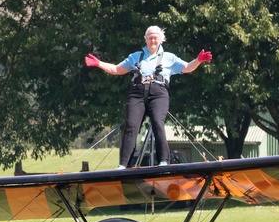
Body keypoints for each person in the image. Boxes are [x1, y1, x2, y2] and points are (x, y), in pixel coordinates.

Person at [85, 26, 212, 168]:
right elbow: (117, 69)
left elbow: (188, 67)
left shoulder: (169, 57)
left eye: (155, 37)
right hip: (137, 93)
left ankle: (164, 160)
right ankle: (123, 164)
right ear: (145, 39)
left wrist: (198, 60)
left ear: (161, 39)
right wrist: (99, 63)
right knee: (131, 126)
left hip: (158, 93)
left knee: (158, 122)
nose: (152, 40)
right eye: (150, 37)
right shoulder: (135, 57)